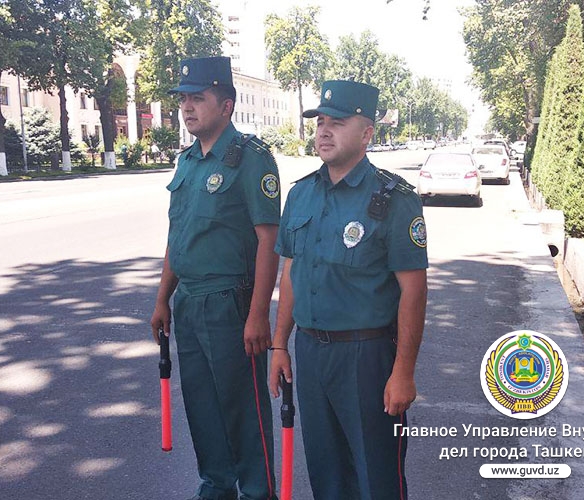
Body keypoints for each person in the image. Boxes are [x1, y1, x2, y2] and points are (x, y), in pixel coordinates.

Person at [269, 80, 428, 500]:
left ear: (367, 133)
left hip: (366, 357)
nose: (324, 131)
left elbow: (413, 291)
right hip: (310, 352)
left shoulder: (394, 200)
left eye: (337, 123)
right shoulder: (301, 194)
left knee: (376, 476)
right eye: (320, 122)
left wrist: (404, 371)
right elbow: (291, 273)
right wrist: (280, 344)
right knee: (326, 473)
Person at [150, 56, 280, 500]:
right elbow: (178, 234)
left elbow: (269, 240)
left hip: (230, 303)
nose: (187, 107)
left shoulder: (250, 158)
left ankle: (257, 491)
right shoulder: (187, 161)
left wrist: (258, 314)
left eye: (198, 98)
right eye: (183, 99)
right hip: (188, 302)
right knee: (202, 406)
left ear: (226, 105)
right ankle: (217, 486)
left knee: (243, 407)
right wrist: (162, 299)